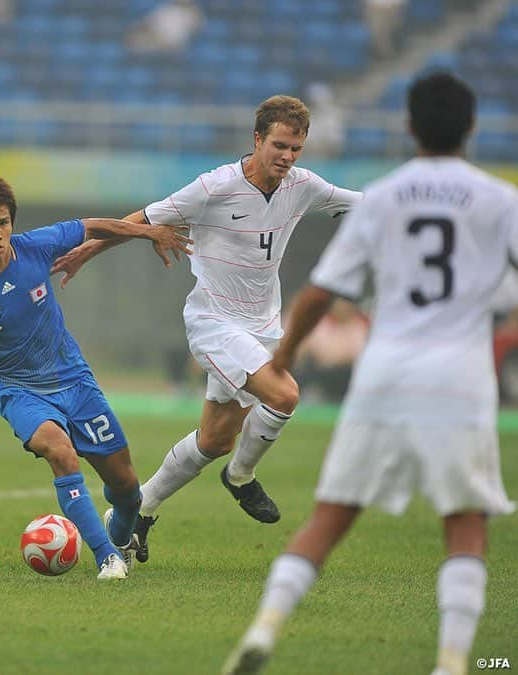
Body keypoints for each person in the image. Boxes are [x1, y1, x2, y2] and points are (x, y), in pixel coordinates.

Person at [221, 72, 516, 675]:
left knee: (331, 515)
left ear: (409, 127)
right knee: (464, 523)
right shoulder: (499, 199)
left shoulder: (385, 195)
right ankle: (455, 661)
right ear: (471, 128)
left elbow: (318, 295)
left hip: (385, 373)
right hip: (459, 375)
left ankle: (264, 629)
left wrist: (283, 357)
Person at [52, 95, 361, 562]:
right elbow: (143, 219)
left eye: (296, 149)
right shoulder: (214, 187)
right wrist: (87, 250)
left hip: (261, 328)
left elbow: (368, 205)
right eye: (279, 145)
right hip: (214, 323)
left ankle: (143, 511)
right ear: (257, 139)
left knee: (214, 439)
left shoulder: (303, 186)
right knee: (285, 394)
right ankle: (240, 478)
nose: (287, 156)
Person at [0, 173, 191, 580]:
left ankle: (120, 533)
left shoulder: (35, 247)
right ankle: (107, 556)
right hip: (20, 392)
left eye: (3, 222)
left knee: (127, 489)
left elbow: (90, 226)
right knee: (60, 451)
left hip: (75, 381)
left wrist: (148, 232)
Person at [125, 0, 203, 55]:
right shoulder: (165, 11)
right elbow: (142, 27)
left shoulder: (195, 16)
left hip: (174, 51)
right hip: (158, 48)